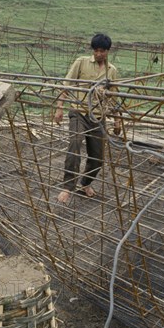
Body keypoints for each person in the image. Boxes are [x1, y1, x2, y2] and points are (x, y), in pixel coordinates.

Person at [54, 33, 121, 204]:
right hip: (79, 111)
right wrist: (60, 107)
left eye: (102, 51)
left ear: (107, 51)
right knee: (75, 145)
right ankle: (67, 187)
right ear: (93, 50)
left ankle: (85, 183)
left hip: (98, 116)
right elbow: (66, 84)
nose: (99, 54)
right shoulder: (81, 62)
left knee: (98, 157)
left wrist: (117, 120)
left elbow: (114, 97)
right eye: (96, 51)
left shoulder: (111, 70)